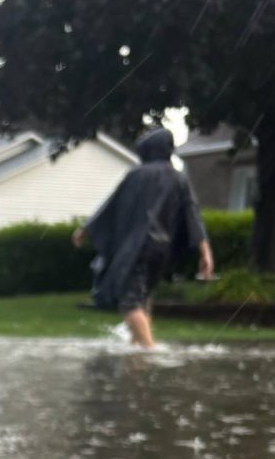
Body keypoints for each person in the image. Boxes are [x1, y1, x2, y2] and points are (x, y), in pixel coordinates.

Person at [72, 127, 214, 348]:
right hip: (162, 251)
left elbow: (111, 204)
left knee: (129, 303)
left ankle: (149, 351)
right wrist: (205, 253)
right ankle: (136, 351)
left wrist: (85, 229)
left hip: (137, 247)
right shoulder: (179, 179)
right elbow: (192, 214)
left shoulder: (137, 175)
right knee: (143, 299)